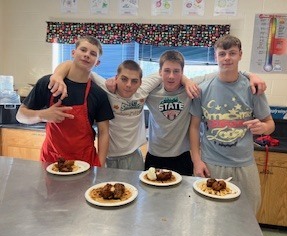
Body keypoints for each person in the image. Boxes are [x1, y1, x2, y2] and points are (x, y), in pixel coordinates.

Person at [49, 51, 267, 175]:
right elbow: (82, 68)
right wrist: (58, 77)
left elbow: (221, 70)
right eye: (166, 71)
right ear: (159, 73)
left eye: (176, 72)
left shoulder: (185, 87)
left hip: (180, 157)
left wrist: (250, 75)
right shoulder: (141, 89)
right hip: (150, 155)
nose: (171, 76)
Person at [189, 35, 275, 213]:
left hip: (244, 164)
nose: (227, 58)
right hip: (211, 163)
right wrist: (196, 161)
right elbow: (194, 127)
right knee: (206, 213)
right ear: (215, 57)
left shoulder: (253, 89)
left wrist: (264, 128)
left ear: (240, 55)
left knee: (247, 214)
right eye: (222, 54)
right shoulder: (203, 89)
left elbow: (270, 124)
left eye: (232, 53)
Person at [16, 36, 114, 167]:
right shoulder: (49, 83)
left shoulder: (98, 94)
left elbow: (104, 133)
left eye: (92, 53)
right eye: (83, 50)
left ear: (97, 63)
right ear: (73, 53)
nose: (86, 55)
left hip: (84, 162)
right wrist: (43, 115)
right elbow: (20, 115)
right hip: (51, 160)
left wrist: (100, 164)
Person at [50, 60, 162, 170]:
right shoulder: (105, 88)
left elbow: (166, 71)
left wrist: (181, 78)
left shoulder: (143, 89)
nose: (128, 85)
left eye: (134, 81)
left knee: (135, 188)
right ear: (116, 78)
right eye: (124, 79)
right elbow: (75, 65)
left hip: (134, 156)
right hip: (108, 157)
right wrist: (58, 76)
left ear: (140, 83)